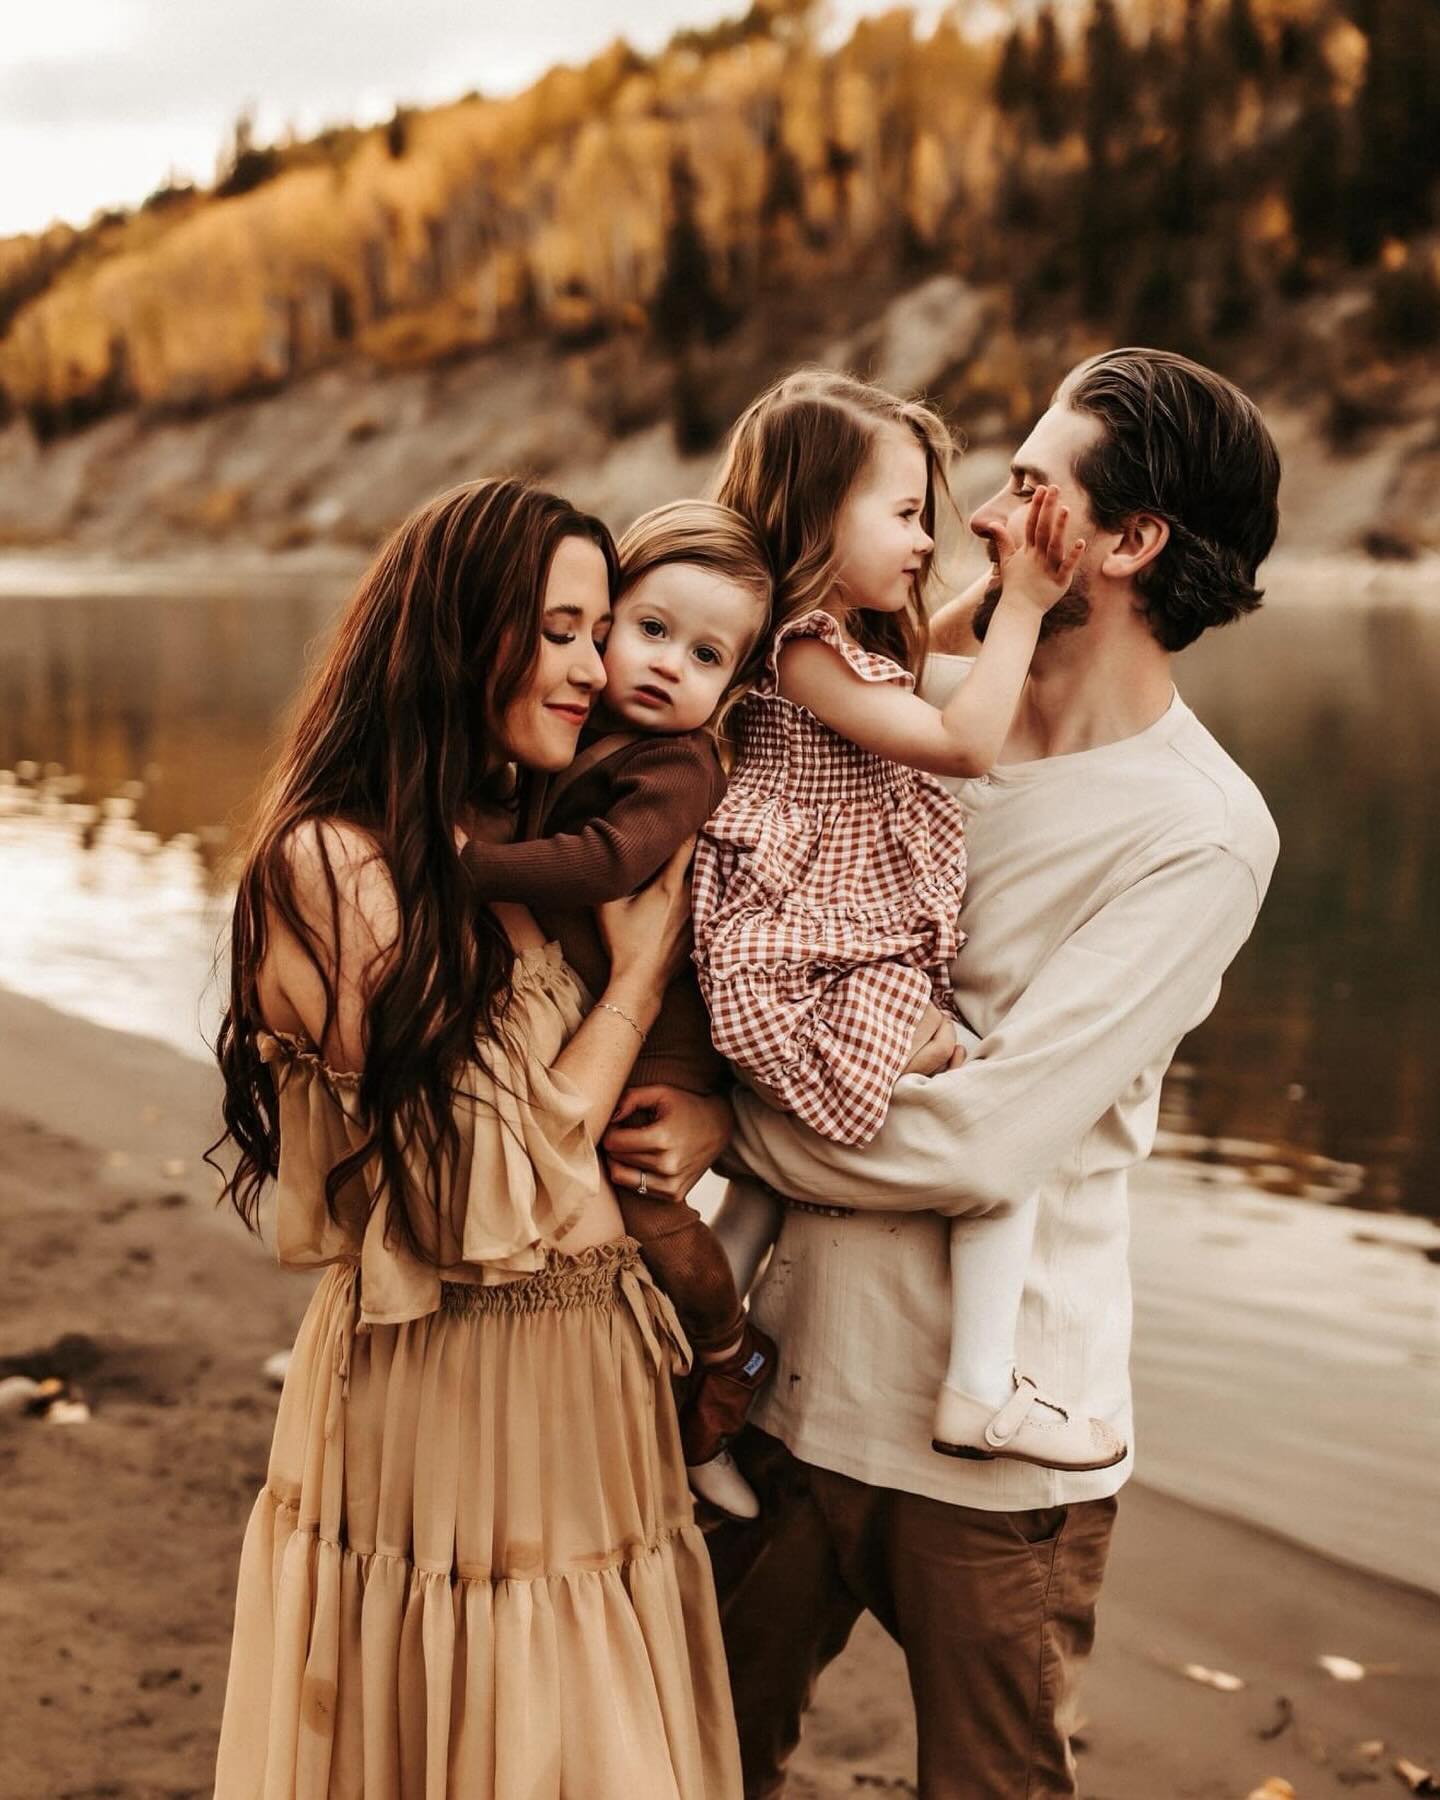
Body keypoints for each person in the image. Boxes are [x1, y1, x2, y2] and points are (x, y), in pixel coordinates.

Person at [629, 349, 1283, 1799]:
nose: (987, 515)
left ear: (1128, 543)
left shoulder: (1201, 832)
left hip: (991, 1455)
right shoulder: (890, 714)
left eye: (1031, 488)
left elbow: (980, 1148)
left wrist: (728, 1121)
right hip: (781, 1396)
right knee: (683, 1764)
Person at [209, 478, 742, 1798]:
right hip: (443, 1401)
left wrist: (707, 1104)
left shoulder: (532, 838)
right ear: (459, 634)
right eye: (554, 629)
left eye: (594, 630)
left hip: (596, 1395)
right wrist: (631, 981)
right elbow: (476, 1193)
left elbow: (617, 1124)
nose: (589, 666)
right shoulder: (336, 870)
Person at [691, 369, 1124, 1478]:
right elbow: (964, 740)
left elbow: (933, 639)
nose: (927, 538)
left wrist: (1012, 579)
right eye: (901, 514)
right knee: (999, 1125)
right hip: (805, 960)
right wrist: (1024, 605)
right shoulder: (801, 649)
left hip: (808, 949)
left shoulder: (833, 637)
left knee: (758, 1191)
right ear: (810, 518)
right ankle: (982, 1388)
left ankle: (688, 1393)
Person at [460, 499, 780, 1521]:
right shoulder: (576, 724)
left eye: (706, 656)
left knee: (642, 1204)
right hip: (595, 1015)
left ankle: (728, 1360)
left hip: (667, 1050)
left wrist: (467, 866)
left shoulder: (677, 767)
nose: (666, 666)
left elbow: (612, 862)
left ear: (733, 686)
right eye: (648, 630)